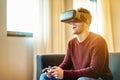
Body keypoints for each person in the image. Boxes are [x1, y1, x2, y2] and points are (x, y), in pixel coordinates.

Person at [40, 7, 113, 80]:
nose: (72, 23)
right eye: (71, 21)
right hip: (79, 77)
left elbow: (94, 71)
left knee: (83, 79)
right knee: (44, 76)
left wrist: (65, 74)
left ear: (86, 22)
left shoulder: (98, 41)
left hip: (98, 78)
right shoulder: (71, 43)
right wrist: (55, 71)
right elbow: (66, 64)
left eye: (76, 20)